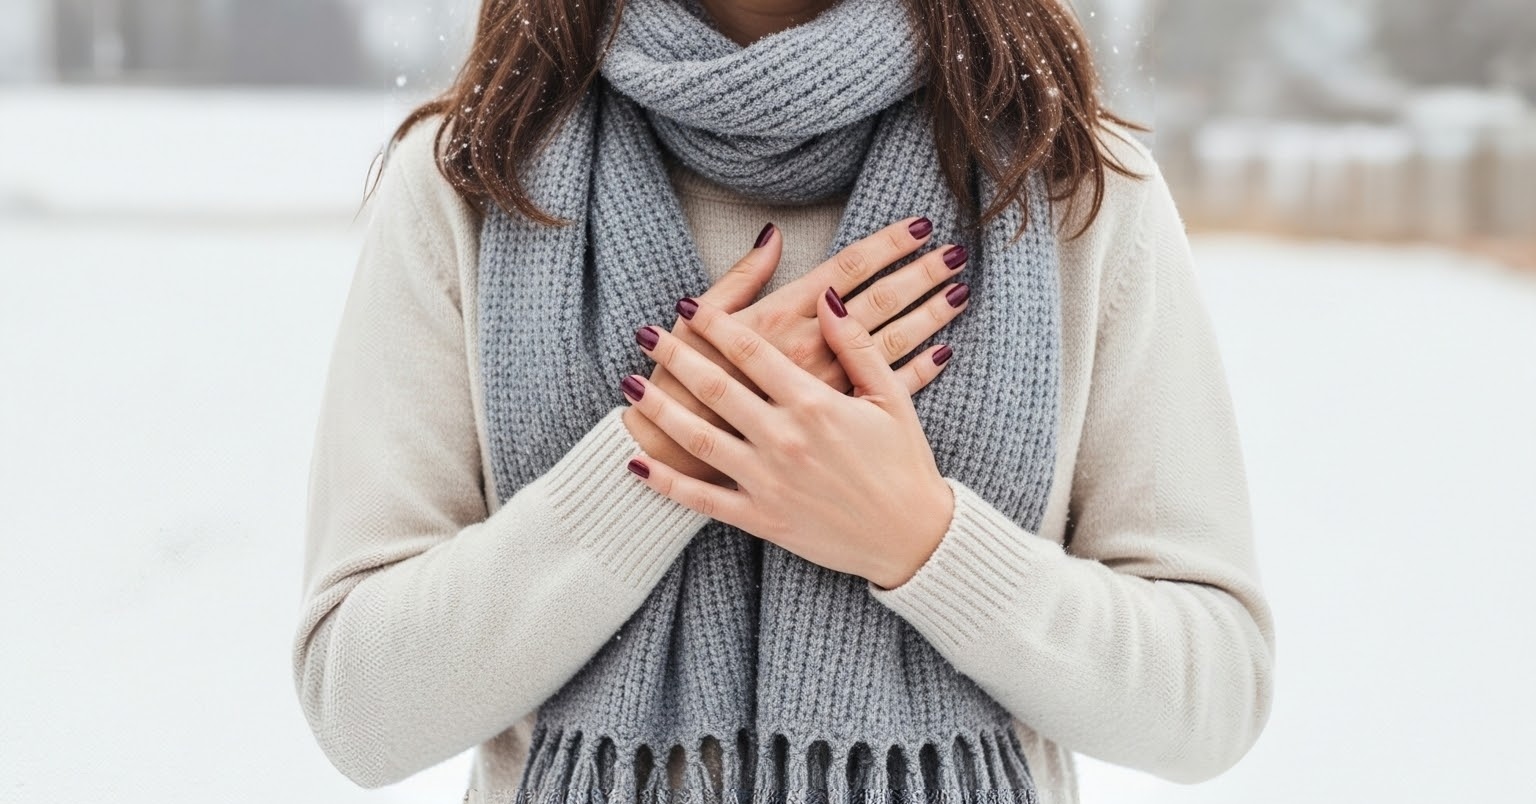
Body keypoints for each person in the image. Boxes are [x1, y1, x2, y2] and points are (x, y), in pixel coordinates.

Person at [290, 0, 1276, 802]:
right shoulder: (472, 178)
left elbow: (1211, 694)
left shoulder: (1072, 184)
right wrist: (663, 458)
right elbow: (362, 708)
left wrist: (927, 544)